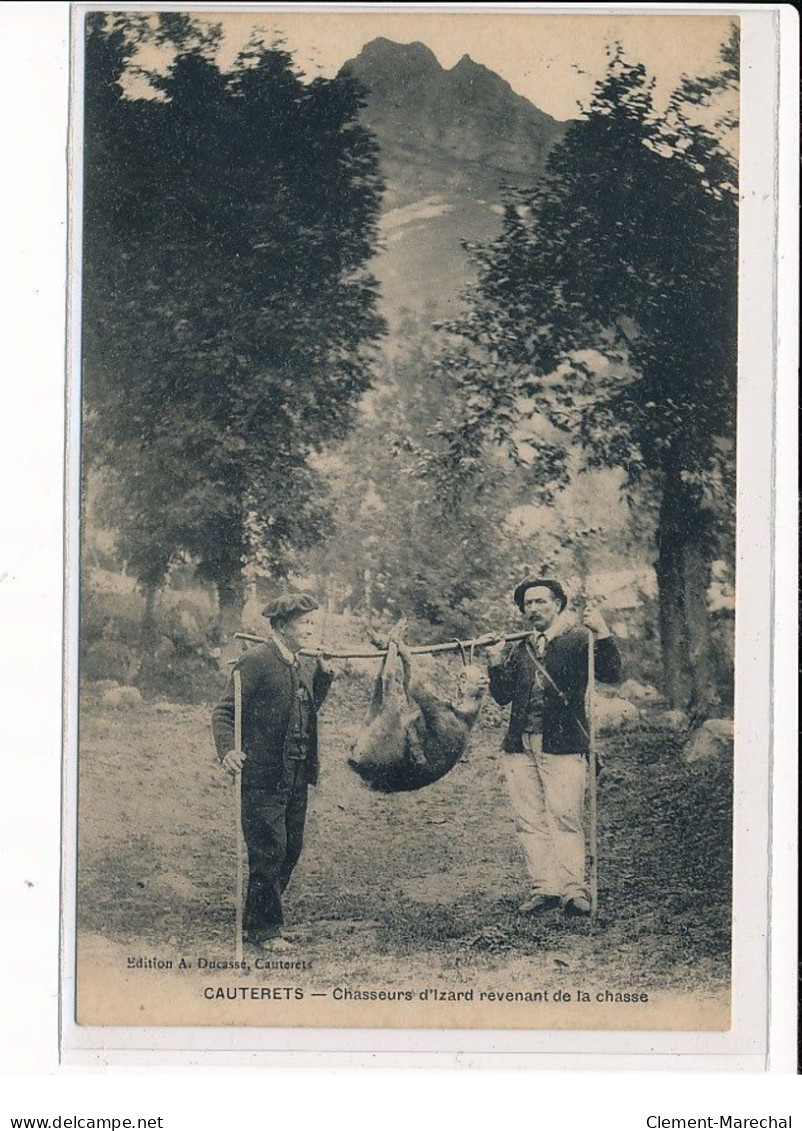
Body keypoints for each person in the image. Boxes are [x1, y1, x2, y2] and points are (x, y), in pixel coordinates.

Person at [484, 578, 621, 917]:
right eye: (528, 604)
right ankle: (543, 887)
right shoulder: (521, 647)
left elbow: (612, 673)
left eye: (541, 602)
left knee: (564, 817)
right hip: (519, 745)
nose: (534, 609)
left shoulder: (578, 639)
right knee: (529, 820)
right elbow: (502, 697)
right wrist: (494, 661)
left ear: (558, 604)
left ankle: (573, 890)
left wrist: (602, 633)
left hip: (563, 744)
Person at [211, 593, 334, 950]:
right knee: (270, 848)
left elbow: (304, 710)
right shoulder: (255, 661)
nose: (311, 628)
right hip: (263, 776)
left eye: (312, 621)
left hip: (295, 773)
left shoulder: (300, 663)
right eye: (304, 622)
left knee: (291, 847)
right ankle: (265, 929)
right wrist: (228, 751)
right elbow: (223, 713)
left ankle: (261, 915)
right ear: (281, 626)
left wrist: (323, 679)